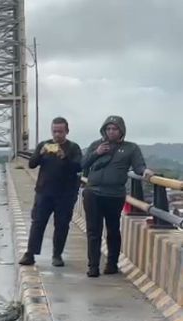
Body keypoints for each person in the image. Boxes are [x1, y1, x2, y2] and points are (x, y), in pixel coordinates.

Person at [80, 115, 154, 278]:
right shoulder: (96, 145)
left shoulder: (130, 148)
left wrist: (146, 172)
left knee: (113, 230)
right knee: (93, 231)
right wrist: (96, 153)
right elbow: (82, 164)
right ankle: (93, 266)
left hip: (114, 195)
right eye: (108, 129)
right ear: (104, 130)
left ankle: (112, 264)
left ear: (121, 130)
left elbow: (139, 166)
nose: (111, 132)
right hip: (93, 193)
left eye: (115, 129)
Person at [19, 117, 82, 267]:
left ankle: (57, 255)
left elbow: (78, 167)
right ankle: (30, 254)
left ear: (66, 131)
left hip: (65, 194)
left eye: (60, 131)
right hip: (44, 192)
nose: (57, 135)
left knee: (61, 225)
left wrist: (64, 157)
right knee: (38, 222)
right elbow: (32, 164)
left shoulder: (73, 148)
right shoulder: (44, 145)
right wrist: (40, 153)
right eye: (54, 131)